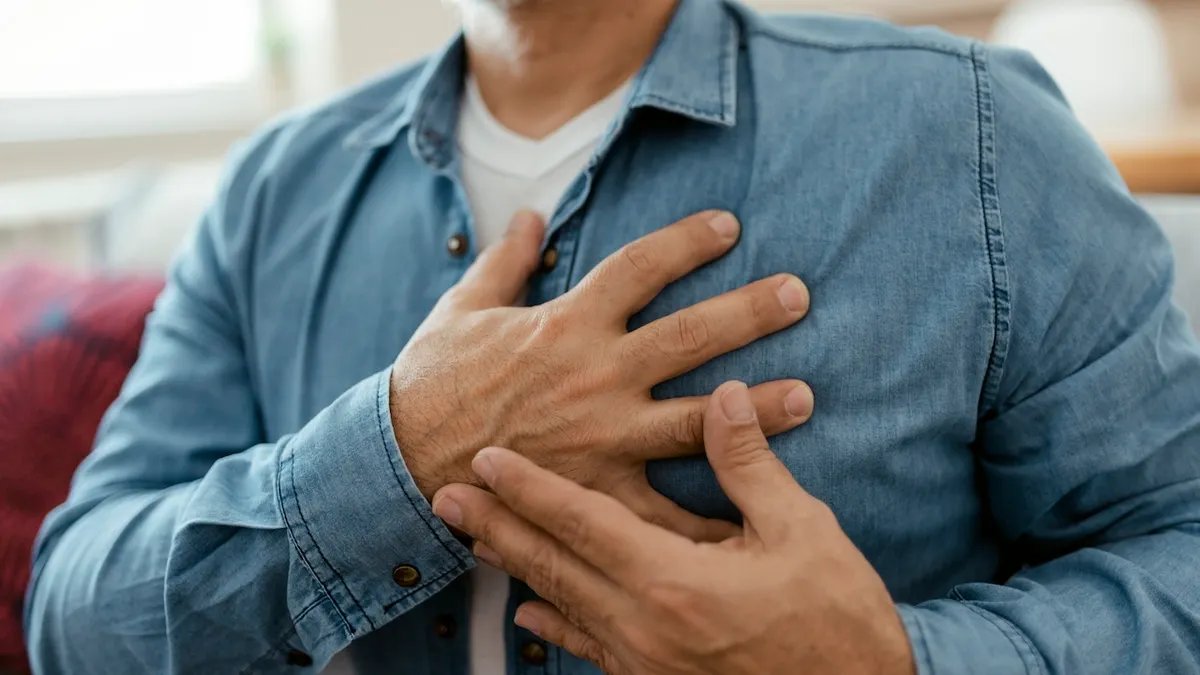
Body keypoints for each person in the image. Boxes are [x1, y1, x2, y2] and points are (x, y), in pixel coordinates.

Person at [24, 0, 1200, 673]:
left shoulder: (971, 135)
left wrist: (900, 665)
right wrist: (399, 447)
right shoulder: (269, 193)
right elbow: (73, 620)